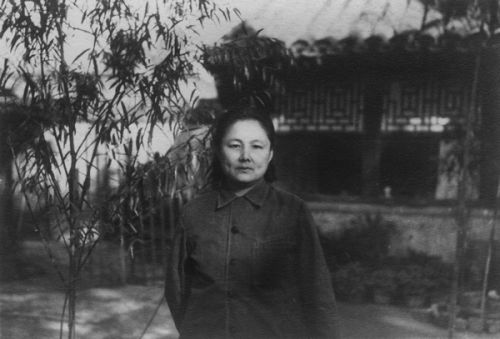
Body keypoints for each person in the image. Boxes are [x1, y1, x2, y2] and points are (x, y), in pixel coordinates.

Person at [165, 107, 340, 339]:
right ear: (218, 151)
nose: (245, 156)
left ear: (270, 154)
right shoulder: (194, 213)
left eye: (257, 146)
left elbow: (318, 293)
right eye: (235, 145)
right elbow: (177, 292)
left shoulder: (292, 211)